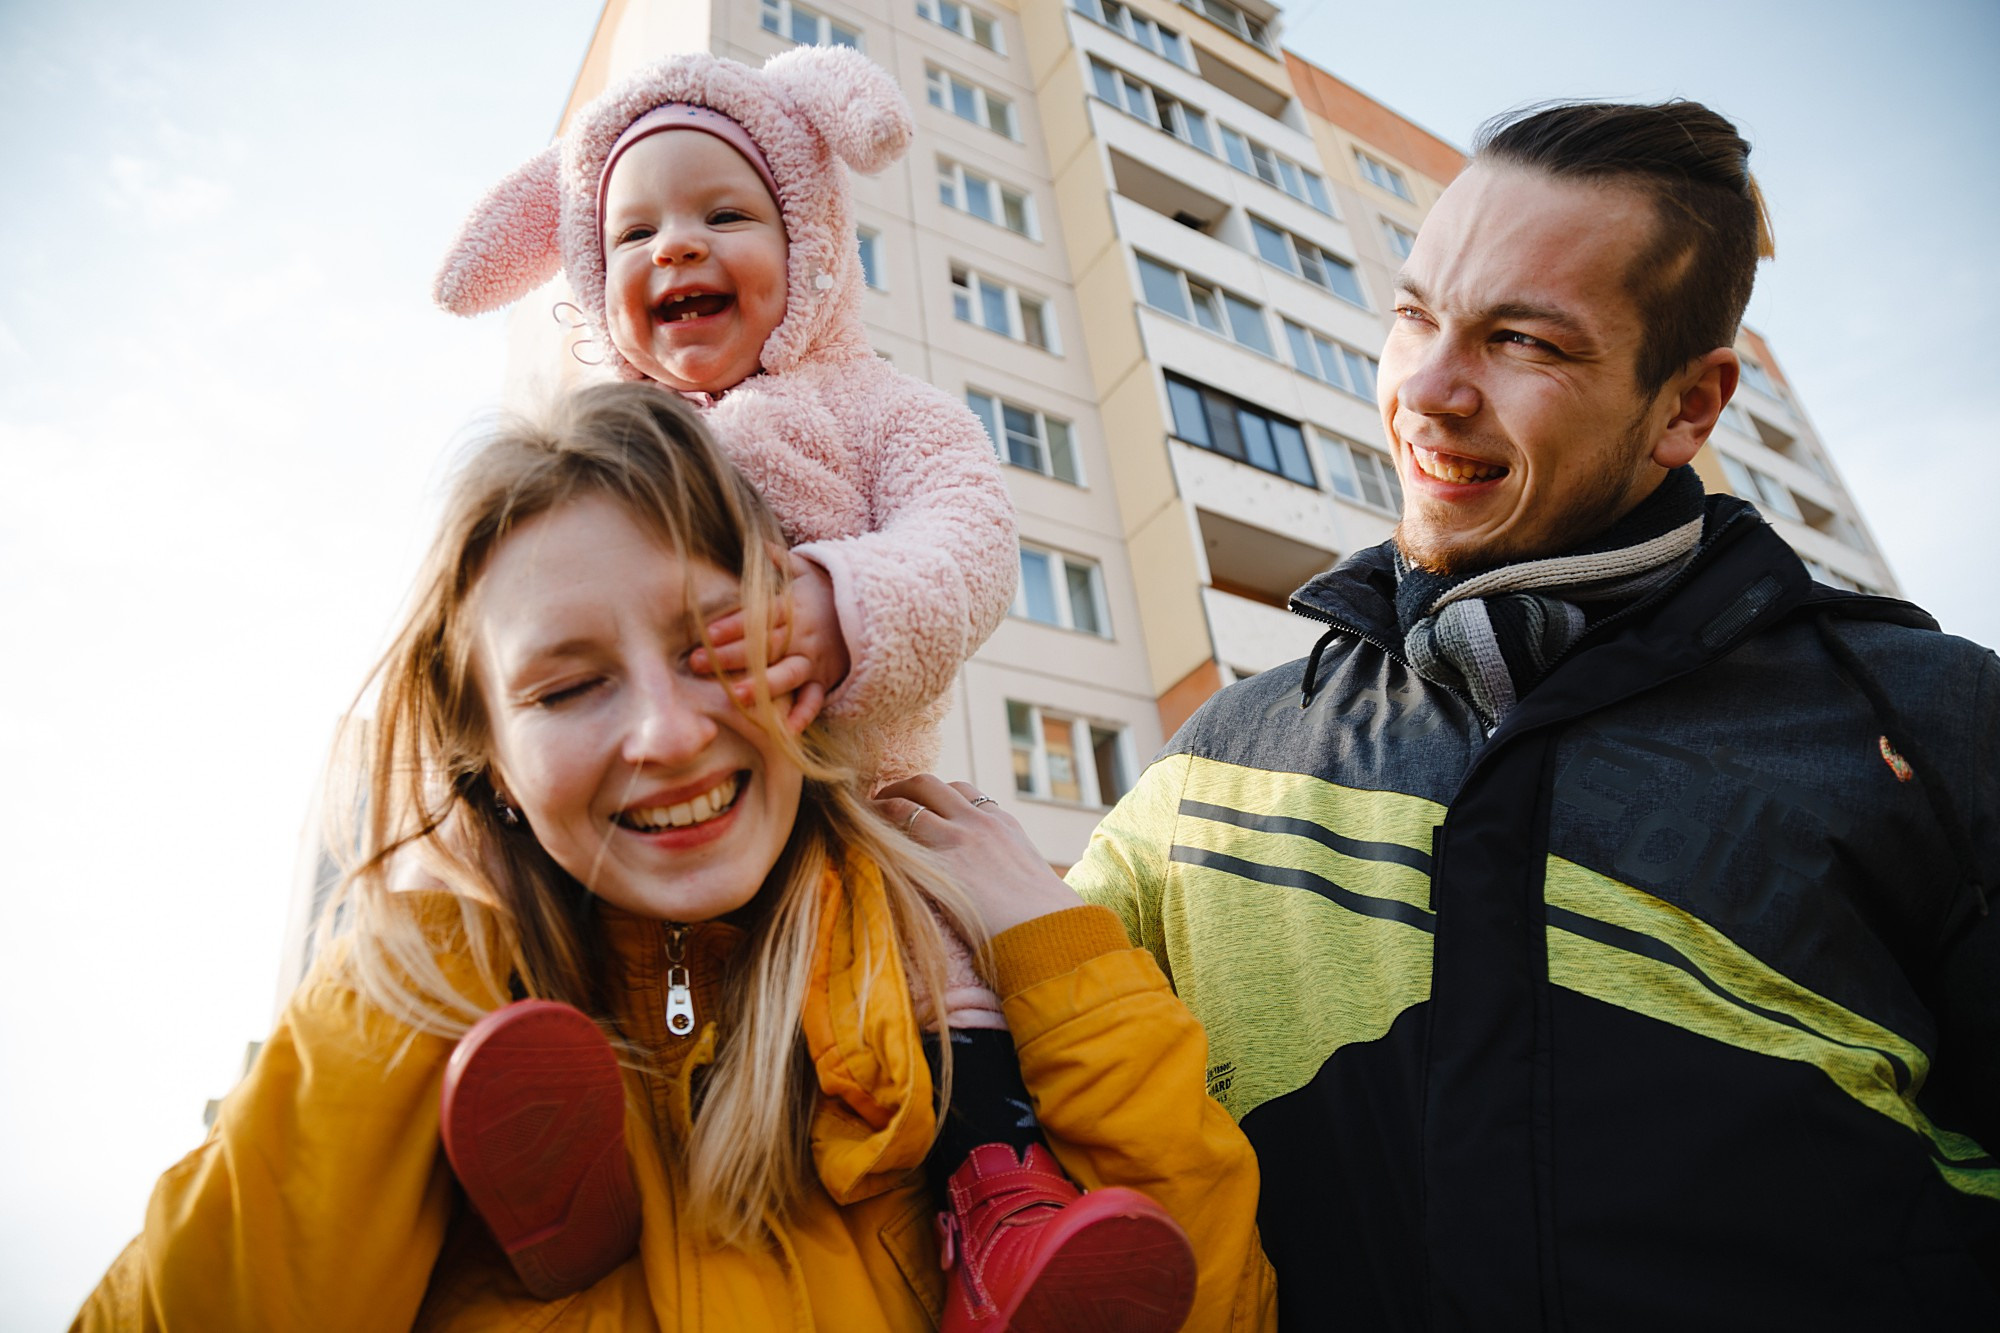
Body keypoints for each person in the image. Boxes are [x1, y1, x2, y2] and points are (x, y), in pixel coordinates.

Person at [927, 99, 2000, 1328]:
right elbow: (961, 1044)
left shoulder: (1931, 724)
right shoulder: (1219, 759)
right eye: (1413, 315)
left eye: (1523, 343)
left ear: (1688, 409)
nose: (1425, 390)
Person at [70, 383, 1274, 1332]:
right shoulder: (411, 1010)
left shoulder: (972, 982)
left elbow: (1217, 1305)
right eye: (570, 685)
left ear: (801, 649)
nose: (664, 732)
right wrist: (411, 960)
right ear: (480, 744)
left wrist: (1061, 964)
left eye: (712, 645)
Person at [428, 47, 1186, 1326]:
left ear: (813, 238)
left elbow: (967, 535)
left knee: (938, 956)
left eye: (725, 214)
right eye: (633, 229)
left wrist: (847, 601)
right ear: (581, 275)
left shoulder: (874, 404)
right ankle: (567, 1172)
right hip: (669, 803)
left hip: (857, 792)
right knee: (561, 935)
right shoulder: (604, 446)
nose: (677, 247)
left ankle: (998, 1202)